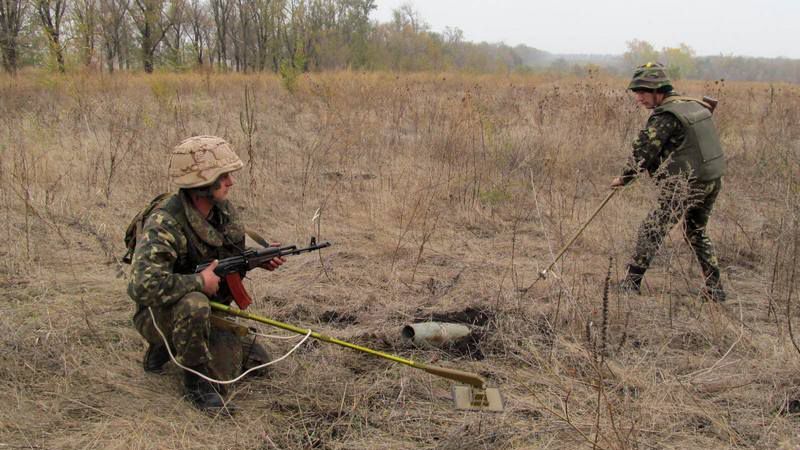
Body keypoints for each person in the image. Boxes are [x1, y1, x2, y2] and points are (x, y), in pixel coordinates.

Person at [127, 135, 284, 411]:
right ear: (200, 183)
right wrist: (199, 281)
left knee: (258, 363)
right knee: (194, 303)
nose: (230, 182)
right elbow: (141, 286)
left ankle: (174, 346)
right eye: (222, 176)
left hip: (208, 309)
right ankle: (195, 384)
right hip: (158, 313)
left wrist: (256, 260)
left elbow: (227, 255)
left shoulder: (222, 211)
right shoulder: (164, 223)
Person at [611, 62, 727, 302]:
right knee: (696, 232)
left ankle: (631, 284)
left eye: (643, 92)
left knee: (651, 229)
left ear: (658, 90)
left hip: (686, 184)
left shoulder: (666, 116)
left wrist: (625, 178)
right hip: (712, 180)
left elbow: (643, 153)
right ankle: (715, 288)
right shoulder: (693, 105)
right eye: (636, 92)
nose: (639, 98)